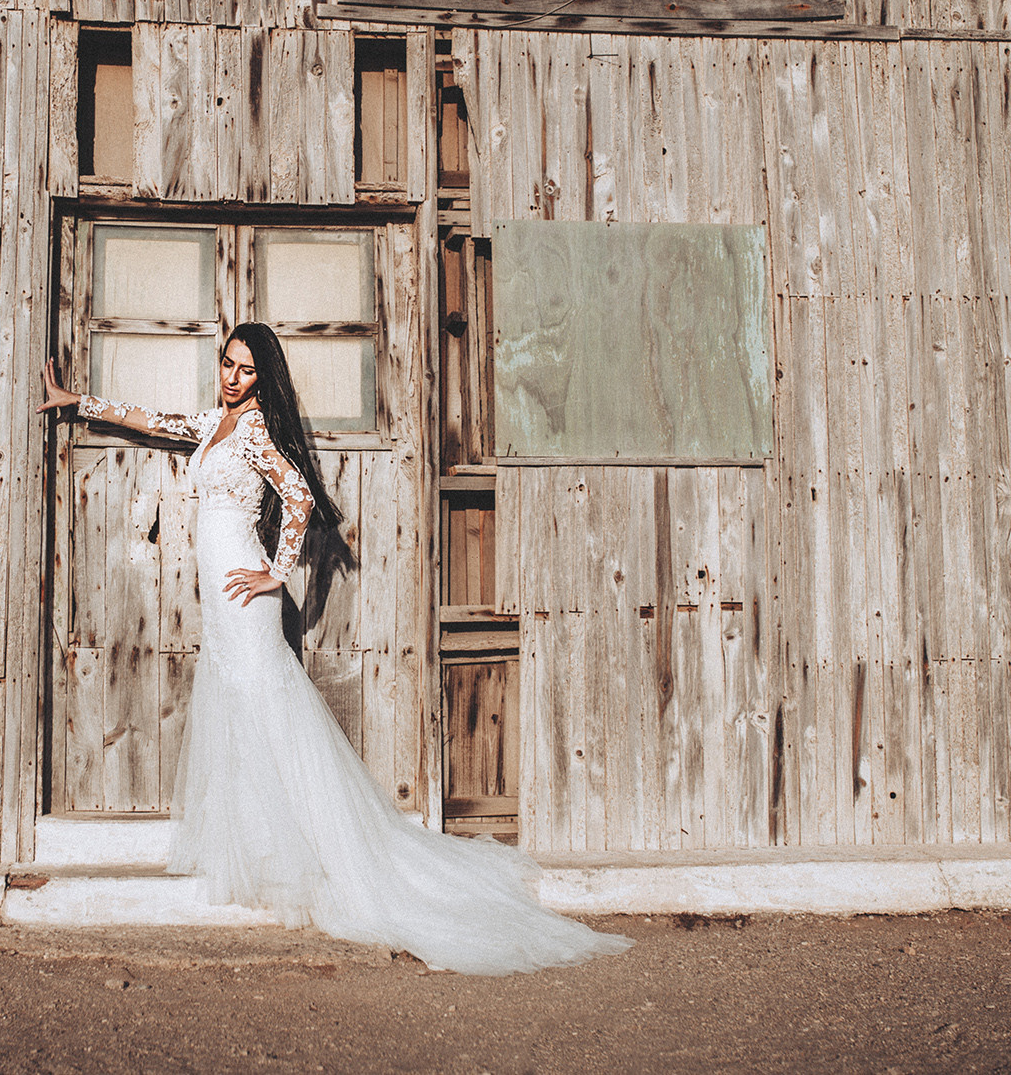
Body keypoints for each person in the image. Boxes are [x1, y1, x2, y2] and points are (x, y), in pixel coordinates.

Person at [38, 322, 631, 975]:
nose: (233, 377)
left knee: (271, 711)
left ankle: (328, 850)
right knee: (246, 713)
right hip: (222, 594)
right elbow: (150, 418)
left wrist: (278, 572)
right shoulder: (215, 422)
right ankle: (269, 845)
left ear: (263, 376)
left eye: (244, 369)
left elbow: (296, 495)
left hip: (245, 589)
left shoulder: (257, 428)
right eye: (227, 365)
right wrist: (77, 402)